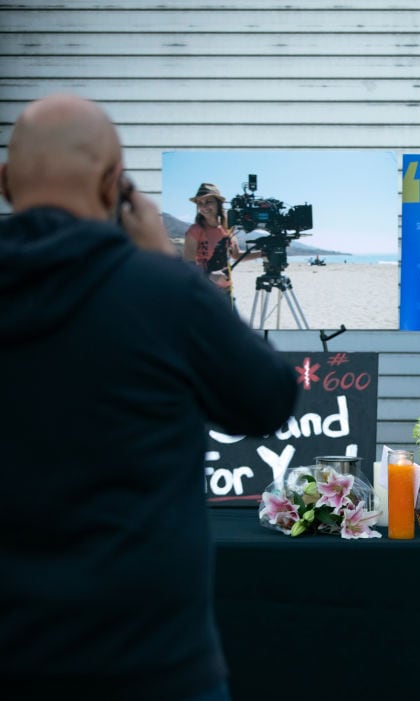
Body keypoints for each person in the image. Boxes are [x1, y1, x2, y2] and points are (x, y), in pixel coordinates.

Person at [0, 94, 298, 699]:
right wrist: (163, 264)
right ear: (115, 183)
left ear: (6, 182)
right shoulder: (164, 291)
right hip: (150, 658)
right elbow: (267, 399)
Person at [183, 181, 241, 302]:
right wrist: (211, 276)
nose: (203, 207)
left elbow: (237, 255)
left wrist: (264, 252)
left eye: (208, 201)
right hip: (203, 293)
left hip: (226, 293)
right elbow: (188, 266)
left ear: (219, 203)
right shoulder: (195, 230)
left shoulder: (228, 229)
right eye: (200, 203)